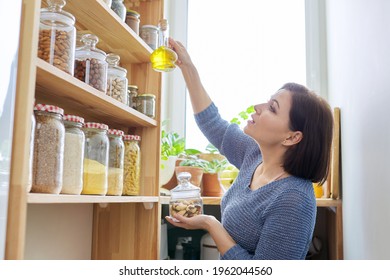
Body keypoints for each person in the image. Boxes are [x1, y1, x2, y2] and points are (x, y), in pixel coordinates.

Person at [165, 38, 334, 260]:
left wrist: (210, 224)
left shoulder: (294, 200)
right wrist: (187, 66)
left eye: (272, 108)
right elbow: (212, 123)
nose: (258, 107)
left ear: (292, 137)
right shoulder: (253, 156)